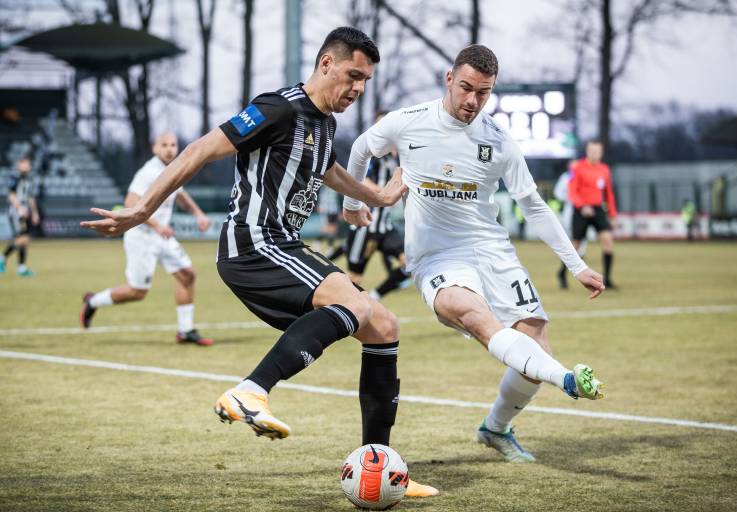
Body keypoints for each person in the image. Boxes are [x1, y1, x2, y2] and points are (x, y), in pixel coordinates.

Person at [81, 27, 437, 498]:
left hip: (282, 246)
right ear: (326, 64)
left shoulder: (325, 124)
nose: (358, 88)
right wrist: (144, 209)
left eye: (365, 80)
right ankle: (251, 390)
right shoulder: (278, 108)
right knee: (356, 304)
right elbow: (200, 149)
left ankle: (379, 467)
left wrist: (377, 196)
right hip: (253, 243)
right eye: (353, 75)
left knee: (383, 326)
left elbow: (329, 170)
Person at [343, 44, 606, 463]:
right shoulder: (409, 121)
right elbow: (360, 149)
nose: (472, 100)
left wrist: (577, 266)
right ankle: (566, 379)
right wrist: (353, 202)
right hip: (436, 257)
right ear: (449, 79)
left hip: (492, 250)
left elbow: (534, 206)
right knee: (475, 316)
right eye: (466, 88)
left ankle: (495, 429)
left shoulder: (498, 140)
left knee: (535, 344)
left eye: (483, 92)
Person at [79, 133, 214, 345]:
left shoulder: (174, 167)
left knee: (187, 275)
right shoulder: (148, 172)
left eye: (173, 145)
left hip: (162, 237)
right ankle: (93, 301)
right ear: (155, 149)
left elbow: (180, 194)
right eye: (164, 145)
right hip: (142, 236)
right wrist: (158, 226)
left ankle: (185, 331)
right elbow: (130, 202)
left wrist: (198, 214)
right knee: (137, 292)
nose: (169, 149)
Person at [345, 111, 410, 301]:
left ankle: (373, 297)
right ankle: (341, 310)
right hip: (367, 226)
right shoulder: (372, 155)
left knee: (410, 264)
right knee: (354, 277)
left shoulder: (397, 157)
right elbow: (360, 180)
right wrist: (383, 193)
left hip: (386, 226)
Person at [560, 140, 618, 289]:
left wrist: (612, 214)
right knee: (576, 245)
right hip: (581, 210)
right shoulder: (577, 168)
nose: (594, 154)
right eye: (592, 151)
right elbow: (572, 191)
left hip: (597, 209)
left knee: (607, 239)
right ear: (587, 152)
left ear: (601, 153)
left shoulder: (604, 169)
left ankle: (607, 279)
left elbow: (609, 193)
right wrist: (582, 206)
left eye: (597, 151)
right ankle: (562, 273)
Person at [1, 156, 39, 276]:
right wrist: (20, 208)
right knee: (22, 238)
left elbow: (30, 198)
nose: (25, 166)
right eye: (23, 164)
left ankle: (21, 267)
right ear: (19, 165)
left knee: (24, 239)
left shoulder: (29, 180)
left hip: (25, 212)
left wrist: (35, 213)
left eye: (27, 164)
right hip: (16, 213)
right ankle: (3, 259)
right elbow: (11, 196)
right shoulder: (15, 178)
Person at [554, 164, 587, 289]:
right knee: (574, 245)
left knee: (581, 247)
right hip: (572, 213)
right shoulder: (567, 177)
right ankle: (563, 273)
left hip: (584, 212)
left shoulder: (584, 175)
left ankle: (565, 273)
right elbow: (558, 193)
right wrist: (570, 197)